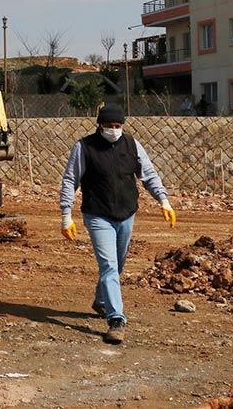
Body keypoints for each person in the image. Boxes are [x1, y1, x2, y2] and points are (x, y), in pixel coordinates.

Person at [59, 104, 176, 344]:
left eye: (118, 126)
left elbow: (149, 175)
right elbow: (71, 180)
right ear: (99, 125)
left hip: (126, 214)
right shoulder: (84, 147)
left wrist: (163, 200)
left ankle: (101, 301)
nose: (114, 130)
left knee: (118, 264)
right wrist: (66, 214)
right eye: (109, 126)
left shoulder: (132, 145)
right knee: (109, 265)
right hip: (97, 215)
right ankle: (116, 319)